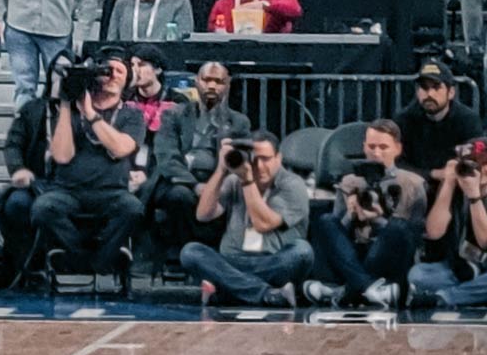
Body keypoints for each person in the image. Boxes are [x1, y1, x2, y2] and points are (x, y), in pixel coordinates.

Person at [31, 52, 145, 283]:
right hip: (67, 190)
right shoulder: (70, 110)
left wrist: (91, 114)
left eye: (119, 71)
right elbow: (62, 156)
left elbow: (121, 148)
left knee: (133, 209)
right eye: (106, 71)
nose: (111, 76)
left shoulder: (132, 114)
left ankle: (100, 263)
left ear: (128, 81)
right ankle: (80, 260)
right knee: (43, 208)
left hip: (112, 191)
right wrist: (65, 103)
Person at [179, 132, 313, 308]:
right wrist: (221, 170)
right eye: (255, 159)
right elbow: (203, 214)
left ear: (278, 158)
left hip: (273, 262)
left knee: (302, 252)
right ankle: (267, 294)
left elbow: (263, 224)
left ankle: (229, 289)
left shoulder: (292, 185)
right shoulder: (234, 180)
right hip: (233, 261)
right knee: (190, 252)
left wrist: (248, 182)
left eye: (266, 159)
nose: (259, 166)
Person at [303, 119, 425, 311]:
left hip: (387, 254)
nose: (376, 153)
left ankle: (347, 290)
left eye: (383, 147)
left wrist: (377, 220)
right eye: (372, 147)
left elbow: (408, 237)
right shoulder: (350, 181)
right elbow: (336, 236)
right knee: (326, 221)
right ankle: (368, 289)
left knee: (397, 227)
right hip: (353, 253)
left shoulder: (413, 183)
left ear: (397, 149)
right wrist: (351, 216)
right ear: (364, 147)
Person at [150, 61, 250, 262]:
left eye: (218, 81)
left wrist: (215, 185)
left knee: (233, 197)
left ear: (228, 85)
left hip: (219, 181)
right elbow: (166, 156)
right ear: (196, 82)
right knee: (180, 195)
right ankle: (188, 250)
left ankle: (209, 253)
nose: (212, 86)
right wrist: (195, 185)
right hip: (180, 181)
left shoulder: (239, 122)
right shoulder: (174, 114)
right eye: (206, 80)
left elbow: (239, 160)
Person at [393, 59, 484, 176]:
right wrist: (433, 173)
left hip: (457, 181)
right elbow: (397, 162)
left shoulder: (467, 119)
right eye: (424, 87)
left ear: (451, 92)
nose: (429, 94)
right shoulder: (404, 119)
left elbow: (477, 159)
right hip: (417, 182)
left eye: (436, 87)